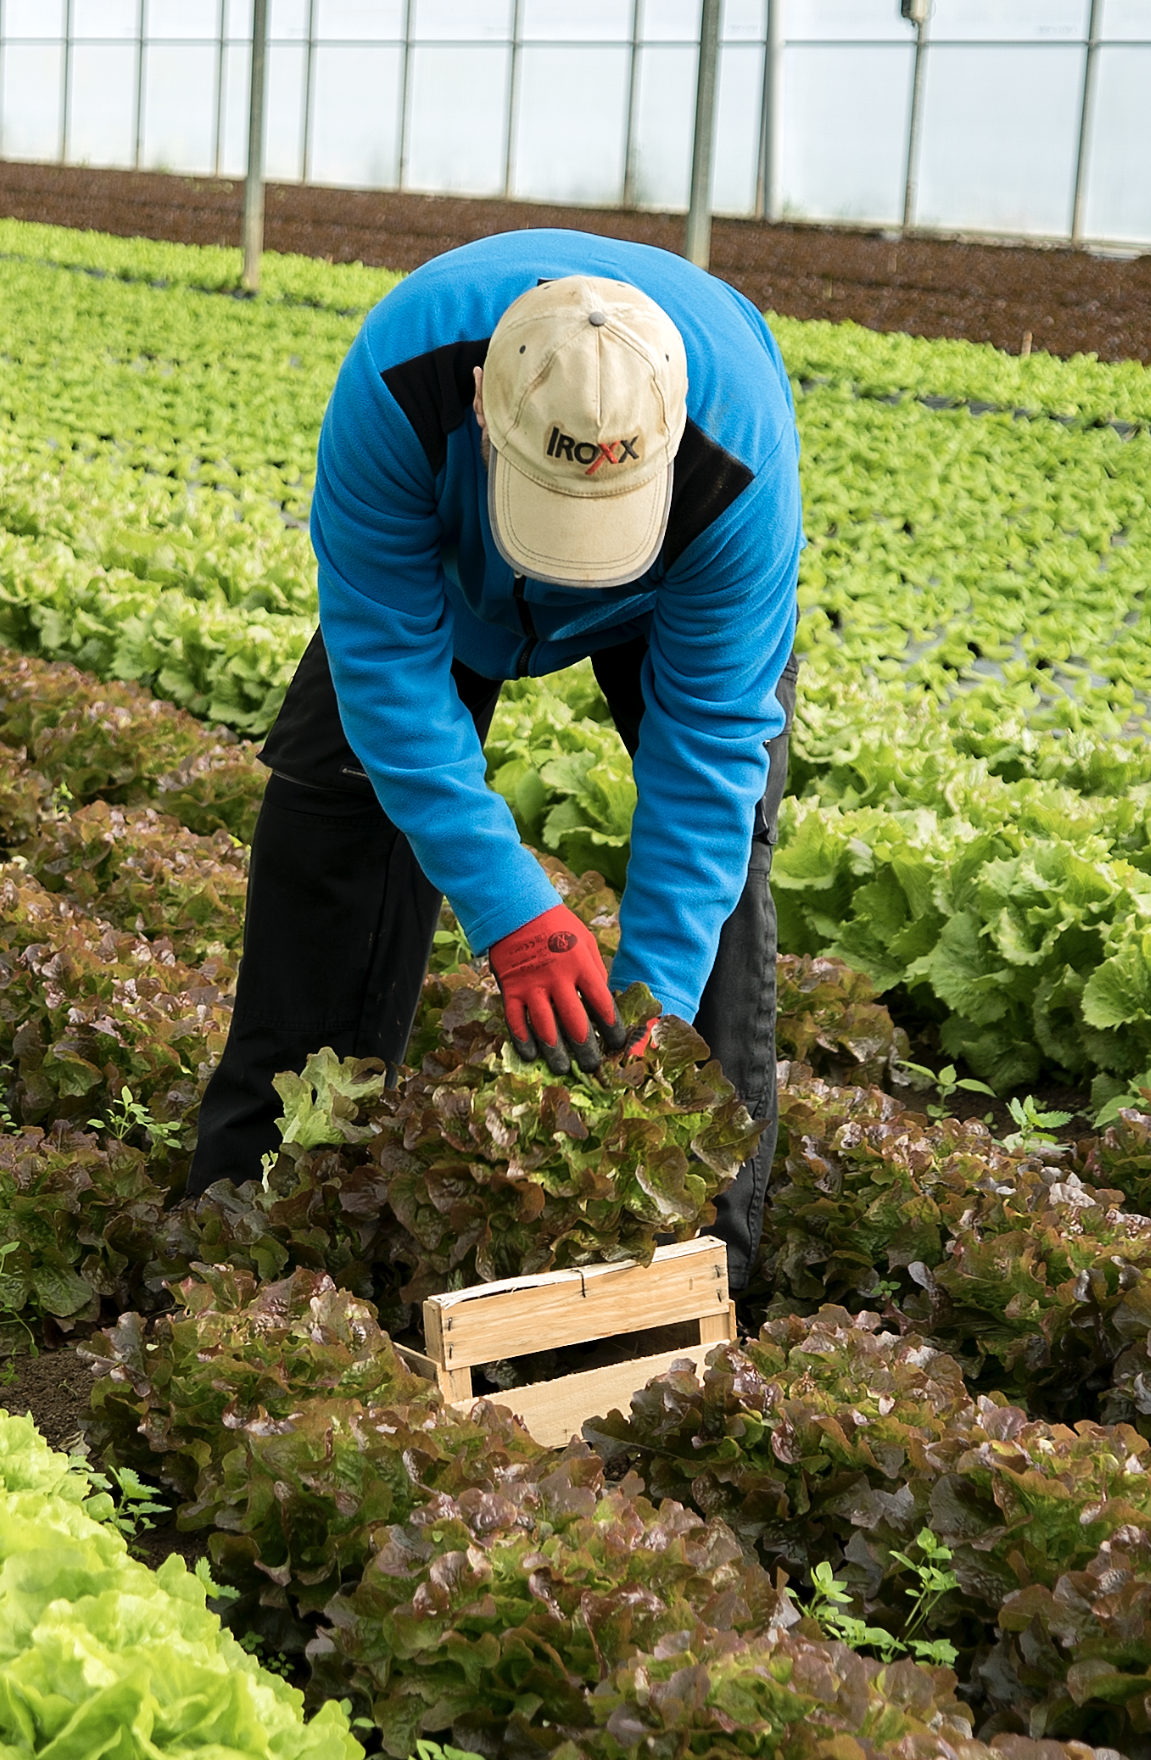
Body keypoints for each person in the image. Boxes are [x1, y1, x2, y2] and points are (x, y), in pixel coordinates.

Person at [182, 227, 803, 1274]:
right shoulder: (399, 378)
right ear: (483, 408)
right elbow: (382, 665)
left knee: (719, 877)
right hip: (444, 578)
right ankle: (254, 1219)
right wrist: (509, 909)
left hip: (664, 597)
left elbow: (706, 752)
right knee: (331, 830)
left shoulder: (733, 467)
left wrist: (651, 1006)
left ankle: (699, 1259)